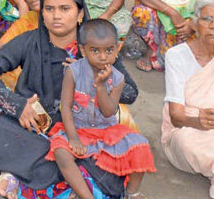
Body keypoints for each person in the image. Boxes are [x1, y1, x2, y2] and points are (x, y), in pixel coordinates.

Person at [0, 0, 140, 199]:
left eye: (64, 9)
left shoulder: (95, 47)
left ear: (80, 13)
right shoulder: (31, 41)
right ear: (41, 13)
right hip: (35, 125)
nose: (56, 16)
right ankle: (64, 178)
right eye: (49, 9)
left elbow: (130, 92)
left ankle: (25, 176)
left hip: (81, 130)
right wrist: (16, 104)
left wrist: (92, 75)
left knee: (104, 147)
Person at [47, 19, 155, 199]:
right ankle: (85, 195)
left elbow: (108, 112)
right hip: (78, 130)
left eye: (109, 50)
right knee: (61, 153)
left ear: (117, 48)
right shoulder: (73, 71)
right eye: (95, 50)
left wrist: (101, 87)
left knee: (141, 146)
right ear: (83, 50)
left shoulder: (118, 78)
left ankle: (132, 193)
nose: (103, 56)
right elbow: (65, 107)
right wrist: (73, 138)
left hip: (107, 132)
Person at [162, 0, 214, 199]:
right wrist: (198, 121)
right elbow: (176, 116)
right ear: (194, 24)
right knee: (184, 141)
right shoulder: (177, 56)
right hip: (193, 129)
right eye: (207, 19)